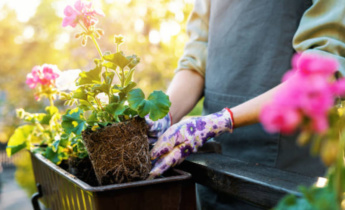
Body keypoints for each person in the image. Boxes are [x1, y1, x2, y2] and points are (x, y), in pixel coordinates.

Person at [146, 0, 345, 209]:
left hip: (281, 171)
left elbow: (320, 73)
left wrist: (220, 121)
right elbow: (195, 61)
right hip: (211, 161)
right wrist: (164, 116)